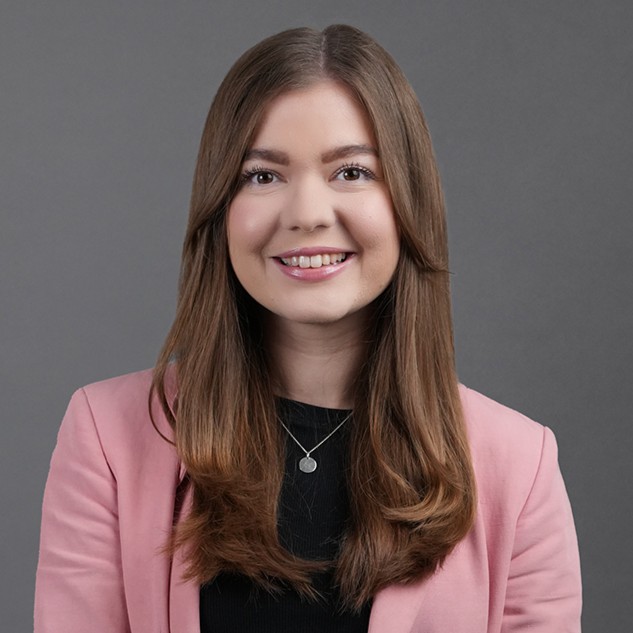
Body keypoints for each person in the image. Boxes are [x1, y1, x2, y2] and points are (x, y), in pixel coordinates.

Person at [34, 24, 582, 633]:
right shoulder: (107, 439)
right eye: (262, 176)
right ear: (220, 209)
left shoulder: (519, 465)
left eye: (351, 172)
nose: (307, 215)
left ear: (409, 202)